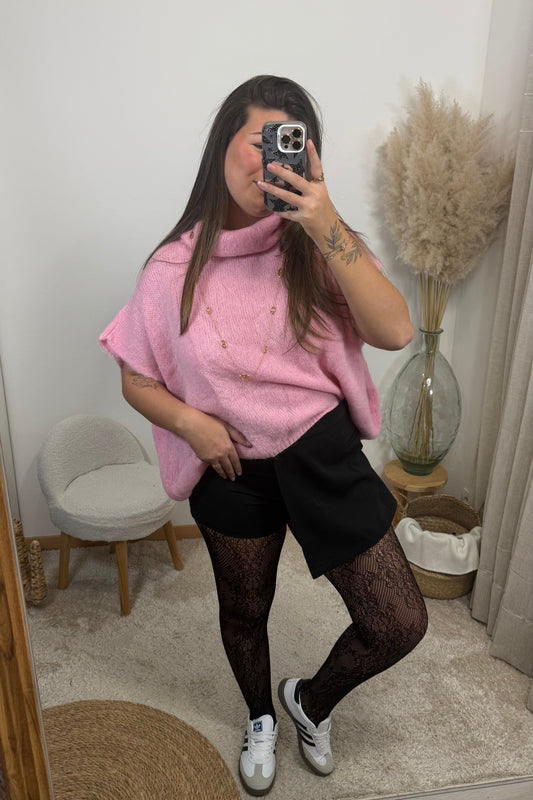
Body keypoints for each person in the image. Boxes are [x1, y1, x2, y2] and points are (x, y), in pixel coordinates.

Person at [99, 75, 428, 797]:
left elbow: (395, 330)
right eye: (260, 140)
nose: (272, 159)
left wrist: (325, 222)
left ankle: (308, 702)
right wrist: (190, 423)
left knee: (398, 620)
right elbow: (135, 376)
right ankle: (259, 717)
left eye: (292, 144)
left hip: (320, 450)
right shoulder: (171, 268)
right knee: (244, 612)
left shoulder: (319, 245)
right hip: (231, 468)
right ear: (223, 143)